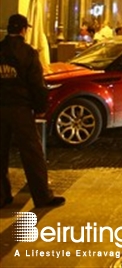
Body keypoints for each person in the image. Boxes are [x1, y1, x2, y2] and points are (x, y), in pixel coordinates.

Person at [0, 14, 66, 209]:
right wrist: (40, 108)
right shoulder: (28, 53)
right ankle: (42, 196)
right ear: (23, 30)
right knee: (32, 153)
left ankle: (2, 196)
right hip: (20, 108)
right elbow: (37, 85)